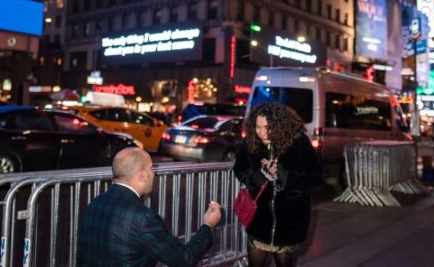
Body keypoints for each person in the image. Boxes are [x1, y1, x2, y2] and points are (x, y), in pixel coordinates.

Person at [79, 148, 222, 267]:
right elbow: (184, 260)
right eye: (152, 168)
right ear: (142, 175)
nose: (154, 173)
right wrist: (208, 225)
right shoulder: (143, 219)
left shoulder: (94, 204)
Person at [233, 103, 323, 267]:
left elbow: (316, 179)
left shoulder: (298, 142)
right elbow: (239, 169)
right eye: (258, 127)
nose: (262, 132)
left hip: (289, 224)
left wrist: (285, 176)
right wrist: (259, 176)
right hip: (259, 222)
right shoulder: (251, 141)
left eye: (267, 127)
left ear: (279, 125)